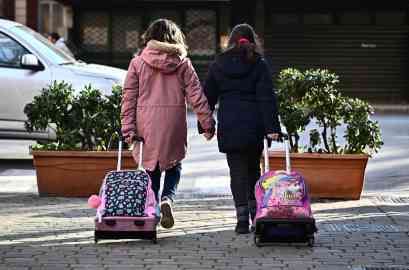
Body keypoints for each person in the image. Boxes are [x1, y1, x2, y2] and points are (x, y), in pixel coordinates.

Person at [121, 19, 215, 229]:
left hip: (146, 125)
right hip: (173, 123)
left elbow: (128, 98)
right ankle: (167, 199)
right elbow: (196, 96)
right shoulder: (183, 63)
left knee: (151, 168)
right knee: (174, 165)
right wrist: (207, 124)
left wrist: (128, 129)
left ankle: (153, 209)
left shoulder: (138, 62)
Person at [200, 24, 281, 234]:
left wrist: (205, 126)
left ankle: (241, 219)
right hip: (254, 125)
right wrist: (272, 127)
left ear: (231, 41)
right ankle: (256, 216)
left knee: (236, 172)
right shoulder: (258, 63)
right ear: (253, 40)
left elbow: (207, 97)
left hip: (230, 124)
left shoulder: (219, 63)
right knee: (254, 169)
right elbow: (266, 97)